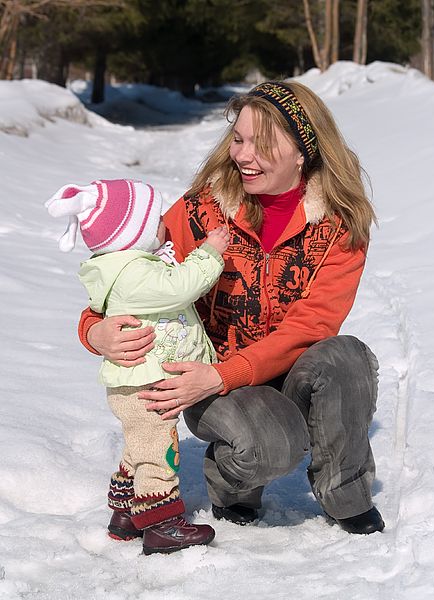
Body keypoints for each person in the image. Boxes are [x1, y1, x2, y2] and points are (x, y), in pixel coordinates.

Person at [78, 80, 385, 535]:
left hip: (282, 368)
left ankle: (346, 494)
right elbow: (127, 275)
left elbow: (312, 324)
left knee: (347, 357)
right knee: (271, 445)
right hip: (211, 379)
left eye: (261, 144)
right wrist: (94, 331)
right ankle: (232, 479)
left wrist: (231, 371)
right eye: (238, 140)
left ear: (303, 151)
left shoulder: (340, 225)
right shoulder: (202, 210)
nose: (243, 155)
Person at [46, 178, 231, 554]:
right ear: (134, 234)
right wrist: (210, 253)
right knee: (158, 452)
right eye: (155, 220)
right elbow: (180, 286)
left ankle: (127, 514)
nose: (165, 224)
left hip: (139, 383)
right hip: (144, 385)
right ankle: (162, 524)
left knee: (139, 447)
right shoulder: (133, 272)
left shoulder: (123, 266)